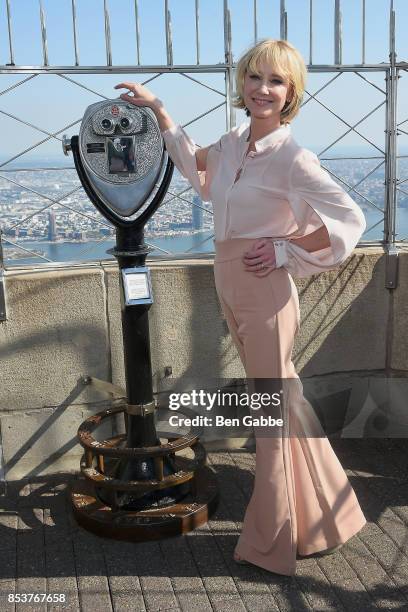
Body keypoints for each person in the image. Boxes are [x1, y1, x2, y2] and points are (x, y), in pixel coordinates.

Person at [114, 38, 367, 576]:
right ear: (242, 84)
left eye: (276, 81)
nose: (263, 89)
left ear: (292, 92)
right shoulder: (234, 143)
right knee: (283, 398)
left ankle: (270, 541)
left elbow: (350, 219)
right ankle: (328, 516)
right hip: (231, 283)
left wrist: (286, 249)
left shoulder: (295, 157)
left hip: (266, 291)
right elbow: (196, 171)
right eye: (255, 78)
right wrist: (159, 110)